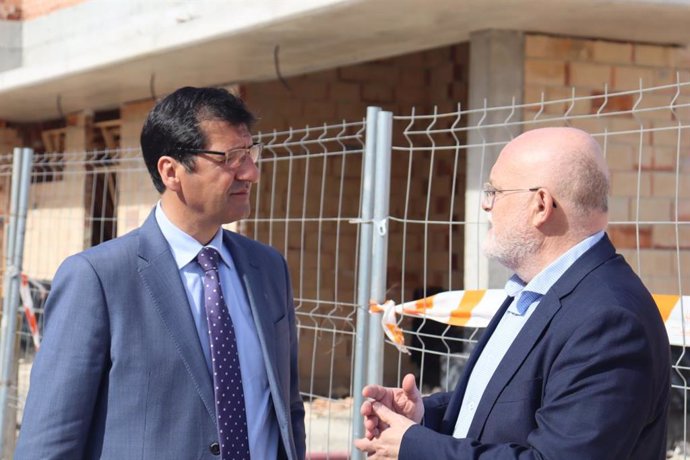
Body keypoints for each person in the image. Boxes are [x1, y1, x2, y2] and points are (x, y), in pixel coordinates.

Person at [16, 86, 306, 460]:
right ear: (171, 171)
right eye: (231, 157)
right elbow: (49, 444)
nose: (251, 172)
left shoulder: (267, 269)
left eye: (250, 153)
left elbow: (287, 410)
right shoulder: (98, 279)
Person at [354, 127, 671, 459]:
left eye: (495, 191)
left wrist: (415, 446)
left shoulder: (609, 320)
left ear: (541, 205)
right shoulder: (533, 290)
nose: (486, 205)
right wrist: (424, 417)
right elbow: (504, 404)